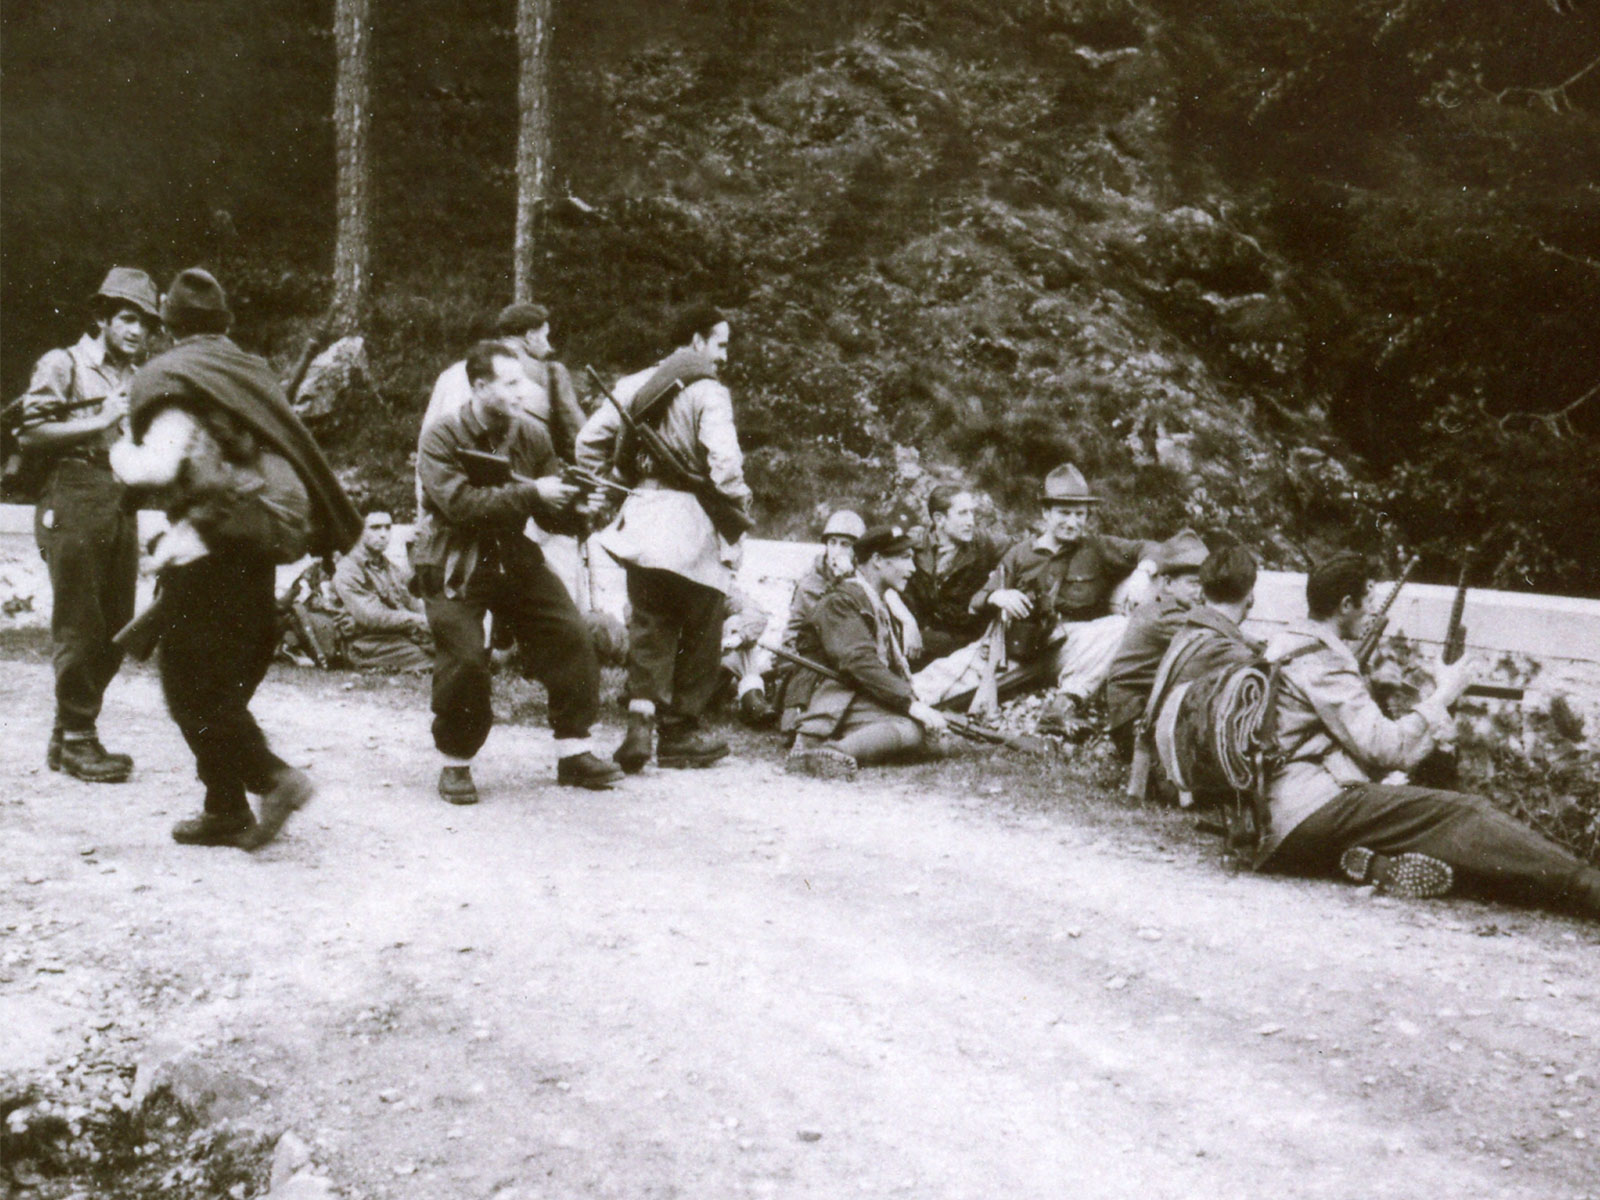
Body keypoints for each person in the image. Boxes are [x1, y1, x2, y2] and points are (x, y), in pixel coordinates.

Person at [111, 267, 363, 848]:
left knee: (190, 691)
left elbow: (158, 465)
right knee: (222, 687)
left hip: (208, 550)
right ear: (223, 323)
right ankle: (224, 808)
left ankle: (274, 780)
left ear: (168, 326)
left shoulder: (172, 375)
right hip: (254, 553)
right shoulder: (248, 372)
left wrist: (119, 452)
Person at [1255, 554, 1600, 916]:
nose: (1372, 611)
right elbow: (1387, 748)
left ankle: (1370, 861)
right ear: (1345, 605)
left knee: (1431, 816)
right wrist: (1445, 693)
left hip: (1281, 813)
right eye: (1368, 601)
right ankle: (1586, 886)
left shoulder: (1287, 642)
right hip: (1309, 810)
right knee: (1467, 810)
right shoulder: (1325, 661)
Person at [415, 340, 623, 804]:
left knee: (570, 635)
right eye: (511, 384)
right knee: (466, 659)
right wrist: (534, 496)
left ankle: (574, 751)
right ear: (479, 386)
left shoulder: (531, 435)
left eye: (523, 383)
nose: (522, 392)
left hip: (512, 555)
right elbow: (460, 505)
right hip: (454, 559)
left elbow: (552, 514)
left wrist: (581, 507)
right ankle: (456, 761)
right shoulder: (441, 437)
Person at [575, 302, 753, 772]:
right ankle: (680, 734)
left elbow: (587, 441)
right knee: (702, 623)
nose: (724, 356)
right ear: (696, 341)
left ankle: (639, 726)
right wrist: (739, 504)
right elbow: (727, 466)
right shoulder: (708, 391)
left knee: (650, 623)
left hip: (644, 515)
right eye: (720, 344)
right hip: (692, 520)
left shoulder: (635, 384)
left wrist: (611, 488)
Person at [15, 268, 161, 782]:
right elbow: (30, 432)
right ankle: (79, 738)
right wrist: (100, 420)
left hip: (120, 496)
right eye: (127, 318)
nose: (137, 332)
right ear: (101, 318)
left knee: (119, 623)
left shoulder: (137, 376)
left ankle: (67, 734)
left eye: (146, 324)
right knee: (81, 622)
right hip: (72, 490)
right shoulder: (65, 363)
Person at [916, 462, 1158, 737]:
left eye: (1080, 514)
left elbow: (1155, 548)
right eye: (1064, 513)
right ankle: (889, 709)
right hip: (1017, 647)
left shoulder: (1098, 548)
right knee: (936, 681)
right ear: (1046, 513)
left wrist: (1143, 572)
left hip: (1069, 646)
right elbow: (976, 600)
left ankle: (1063, 707)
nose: (1073, 522)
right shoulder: (1020, 554)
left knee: (1119, 626)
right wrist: (998, 595)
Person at [786, 525, 950, 780]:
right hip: (827, 696)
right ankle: (828, 752)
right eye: (905, 558)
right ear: (877, 561)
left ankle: (838, 747)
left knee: (936, 738)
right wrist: (910, 704)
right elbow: (859, 661)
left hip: (853, 693)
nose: (913, 569)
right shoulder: (841, 601)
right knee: (915, 730)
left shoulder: (874, 600)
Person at [1103, 528, 1209, 756]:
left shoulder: (1167, 610)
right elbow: (1212, 636)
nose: (1202, 592)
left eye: (1206, 585)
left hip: (1140, 711)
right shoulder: (1165, 616)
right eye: (1194, 583)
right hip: (1134, 719)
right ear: (1168, 584)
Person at [902, 486, 1004, 667]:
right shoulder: (915, 542)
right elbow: (881, 577)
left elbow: (1021, 554)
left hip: (963, 639)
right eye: (963, 513)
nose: (971, 521)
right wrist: (907, 621)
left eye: (972, 513)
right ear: (939, 519)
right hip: (917, 632)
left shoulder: (983, 542)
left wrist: (995, 591)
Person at [332, 510, 433, 672]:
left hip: (398, 636)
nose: (383, 535)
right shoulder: (348, 570)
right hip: (367, 643)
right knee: (436, 660)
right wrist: (419, 620)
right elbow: (371, 616)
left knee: (453, 650)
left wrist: (434, 618)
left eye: (387, 527)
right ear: (359, 531)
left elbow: (412, 602)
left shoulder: (390, 568)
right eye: (375, 528)